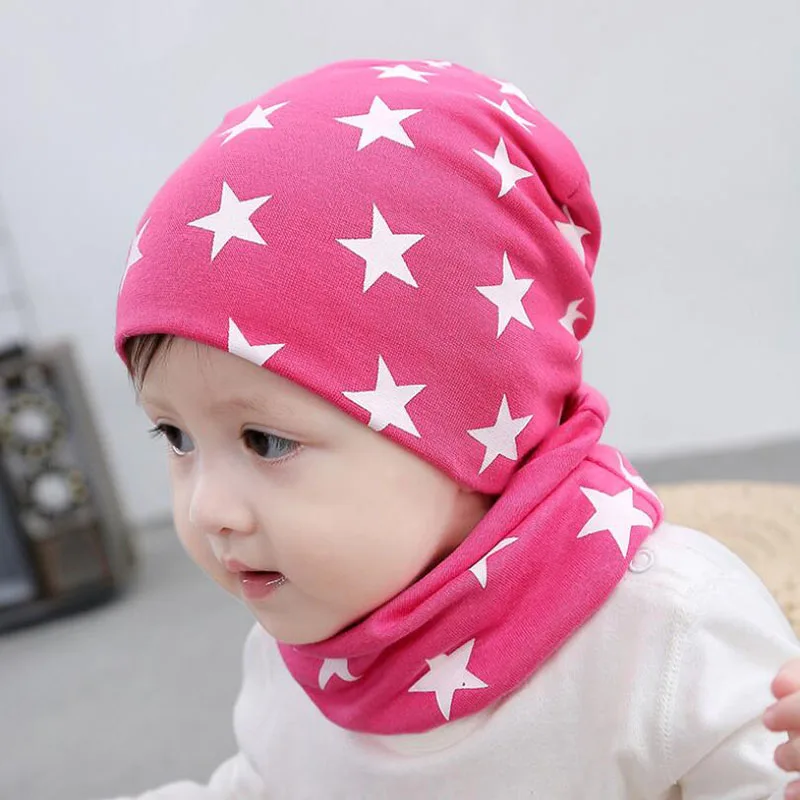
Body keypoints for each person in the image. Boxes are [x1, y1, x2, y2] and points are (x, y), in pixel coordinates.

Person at [109, 58, 800, 799]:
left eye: (265, 441)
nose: (207, 509)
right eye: (175, 436)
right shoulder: (300, 640)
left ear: (467, 423)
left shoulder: (666, 632)